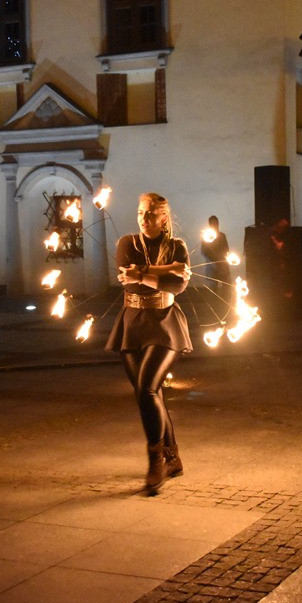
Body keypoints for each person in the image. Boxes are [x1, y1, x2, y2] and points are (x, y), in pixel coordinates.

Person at [106, 193, 193, 493]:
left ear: (163, 218)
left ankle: (155, 460)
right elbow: (124, 278)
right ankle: (173, 458)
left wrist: (142, 273)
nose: (143, 218)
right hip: (132, 324)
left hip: (165, 323)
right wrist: (165, 270)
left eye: (150, 213)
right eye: (141, 212)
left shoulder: (177, 246)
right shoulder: (126, 243)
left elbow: (178, 285)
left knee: (147, 389)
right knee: (150, 395)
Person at [201, 215, 232, 309]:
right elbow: (205, 251)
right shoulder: (206, 237)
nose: (216, 225)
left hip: (223, 264)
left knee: (226, 284)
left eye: (217, 223)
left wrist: (224, 259)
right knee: (214, 286)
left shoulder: (222, 236)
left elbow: (226, 249)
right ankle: (214, 307)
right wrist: (213, 260)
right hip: (213, 264)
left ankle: (225, 305)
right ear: (210, 224)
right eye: (214, 223)